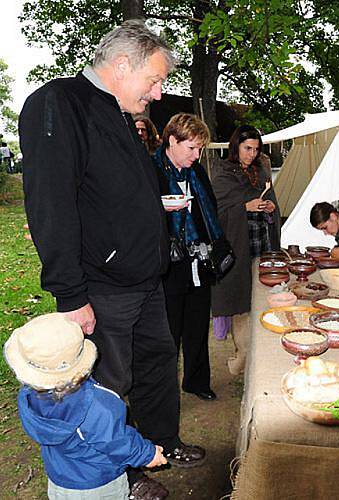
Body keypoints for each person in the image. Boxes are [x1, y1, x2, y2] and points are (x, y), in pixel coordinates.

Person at [19, 20, 206, 496]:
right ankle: (125, 474)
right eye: (155, 80)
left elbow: (112, 193)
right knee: (109, 385)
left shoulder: (120, 113)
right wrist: (69, 293)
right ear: (123, 64)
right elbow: (51, 205)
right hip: (103, 286)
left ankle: (161, 444)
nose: (159, 94)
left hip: (145, 282)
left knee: (159, 364)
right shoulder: (60, 104)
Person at [5, 313, 169, 499]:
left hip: (60, 480)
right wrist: (147, 454)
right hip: (99, 484)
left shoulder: (29, 396)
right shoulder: (96, 404)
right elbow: (115, 439)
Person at [153, 113, 218, 401]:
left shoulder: (197, 172)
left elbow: (210, 209)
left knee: (197, 324)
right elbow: (136, 214)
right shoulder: (151, 170)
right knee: (168, 333)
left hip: (198, 259)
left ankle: (196, 381)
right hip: (168, 264)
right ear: (172, 141)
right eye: (192, 148)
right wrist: (161, 210)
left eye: (200, 148)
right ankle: (163, 393)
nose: (197, 154)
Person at [210, 125, 280, 375]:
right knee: (240, 302)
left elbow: (272, 202)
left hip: (260, 242)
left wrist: (270, 207)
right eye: (247, 148)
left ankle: (254, 356)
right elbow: (214, 212)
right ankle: (242, 356)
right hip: (236, 245)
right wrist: (244, 207)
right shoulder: (223, 174)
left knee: (260, 298)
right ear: (235, 146)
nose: (251, 154)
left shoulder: (260, 172)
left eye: (256, 149)